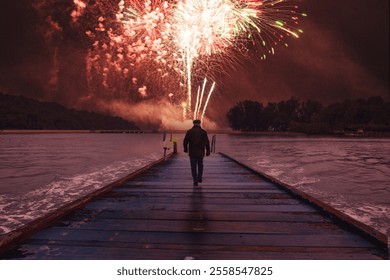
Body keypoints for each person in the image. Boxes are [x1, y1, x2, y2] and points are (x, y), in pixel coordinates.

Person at [183, 119, 211, 186]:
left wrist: (185, 149)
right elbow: (207, 142)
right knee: (200, 165)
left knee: (193, 166)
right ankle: (199, 177)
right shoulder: (203, 132)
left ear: (193, 124)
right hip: (200, 152)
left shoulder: (189, 132)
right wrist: (208, 151)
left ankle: (195, 180)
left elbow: (185, 141)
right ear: (199, 124)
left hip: (192, 152)